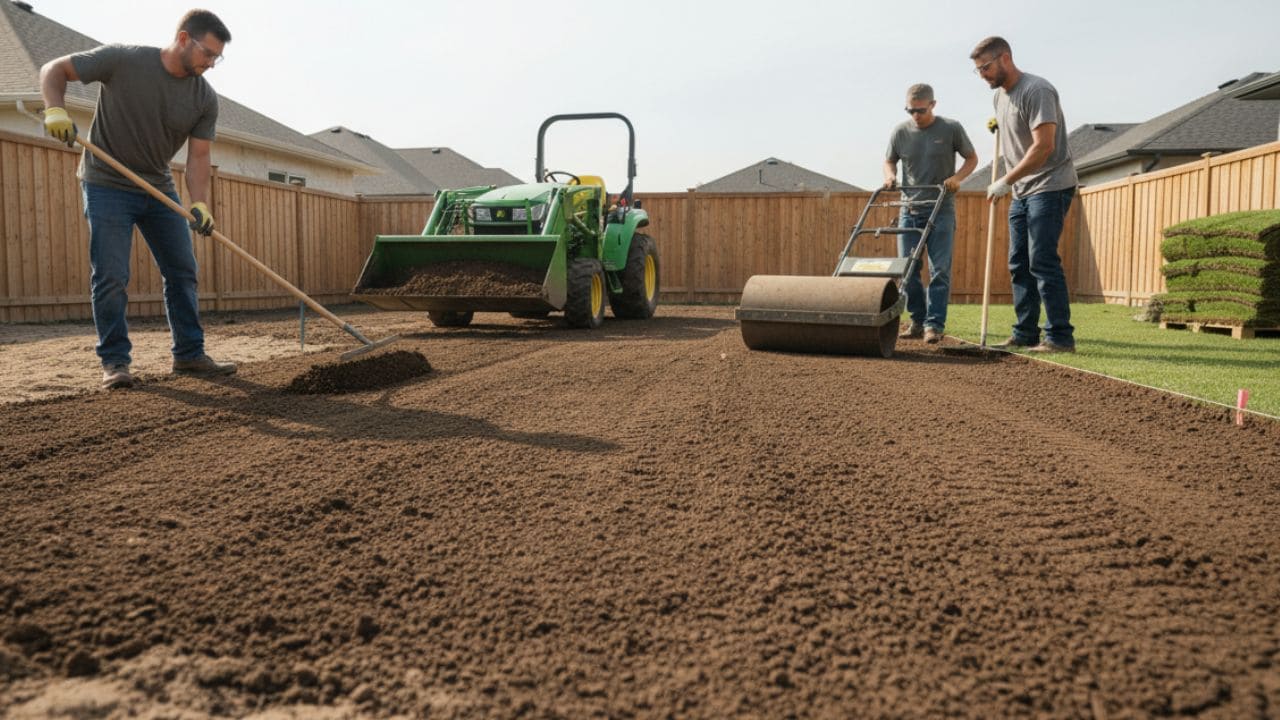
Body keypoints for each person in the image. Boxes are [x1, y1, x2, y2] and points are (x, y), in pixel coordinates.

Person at [40, 9, 237, 389]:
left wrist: (199, 203)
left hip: (157, 187)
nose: (211, 64)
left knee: (183, 270)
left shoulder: (204, 99)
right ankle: (115, 362)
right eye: (208, 54)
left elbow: (198, 157)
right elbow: (54, 69)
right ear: (183, 39)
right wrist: (54, 109)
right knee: (111, 275)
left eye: (217, 58)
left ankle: (190, 355)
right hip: (106, 182)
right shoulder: (125, 59)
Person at [972, 36, 1079, 353]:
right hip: (1021, 190)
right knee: (1018, 263)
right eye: (977, 70)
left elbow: (1043, 147)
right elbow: (1015, 141)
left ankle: (1060, 337)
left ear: (1005, 58)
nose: (982, 75)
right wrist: (1000, 129)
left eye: (986, 67)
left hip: (1050, 183)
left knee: (1042, 261)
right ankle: (1025, 332)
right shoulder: (1000, 98)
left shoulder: (1038, 90)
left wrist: (1005, 180)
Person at [883, 83, 978, 344]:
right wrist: (890, 175)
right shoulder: (900, 132)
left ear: (933, 105)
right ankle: (917, 319)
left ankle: (934, 325)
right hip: (909, 209)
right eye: (910, 110)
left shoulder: (951, 128)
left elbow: (972, 158)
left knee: (940, 270)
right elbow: (889, 159)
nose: (915, 115)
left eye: (920, 110)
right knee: (907, 269)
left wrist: (957, 178)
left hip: (941, 208)